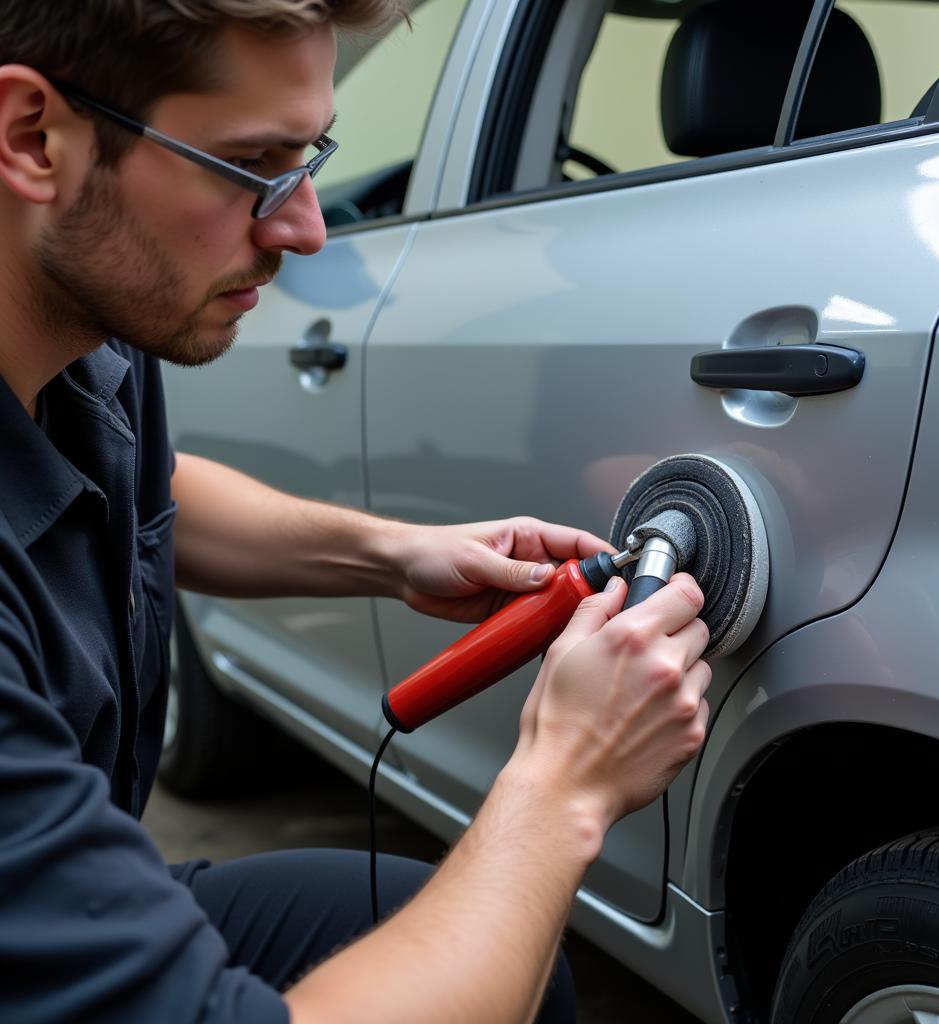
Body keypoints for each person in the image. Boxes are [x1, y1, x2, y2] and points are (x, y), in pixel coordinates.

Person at [0, 2, 713, 1022]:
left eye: (309, 157)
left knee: (451, 935)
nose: (304, 226)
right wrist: (564, 785)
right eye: (253, 165)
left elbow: (146, 490)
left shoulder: (80, 338)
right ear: (34, 137)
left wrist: (393, 553)